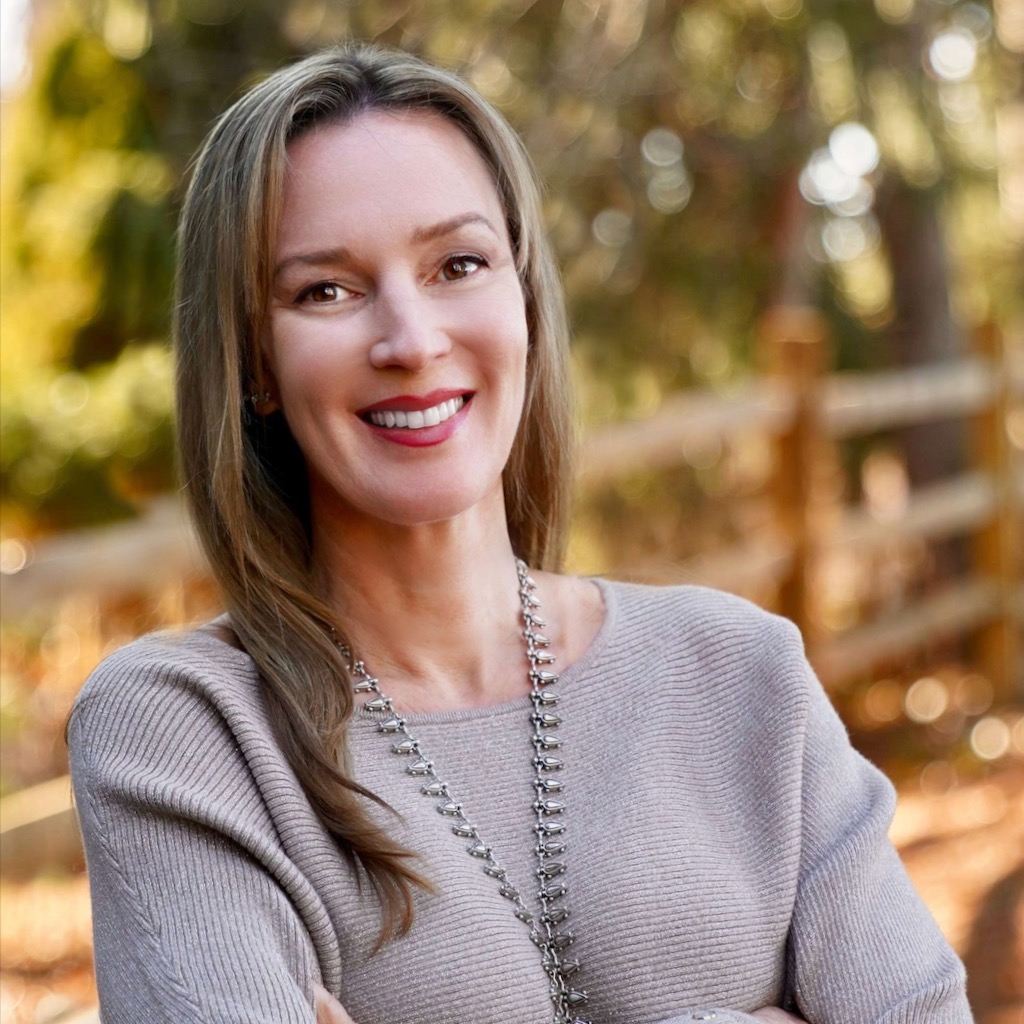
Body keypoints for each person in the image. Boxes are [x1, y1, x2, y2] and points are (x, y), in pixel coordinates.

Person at [68, 43, 972, 1024]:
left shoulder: (743, 673)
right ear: (252, 362)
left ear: (525, 301)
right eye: (323, 289)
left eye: (457, 263)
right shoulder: (184, 736)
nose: (410, 340)